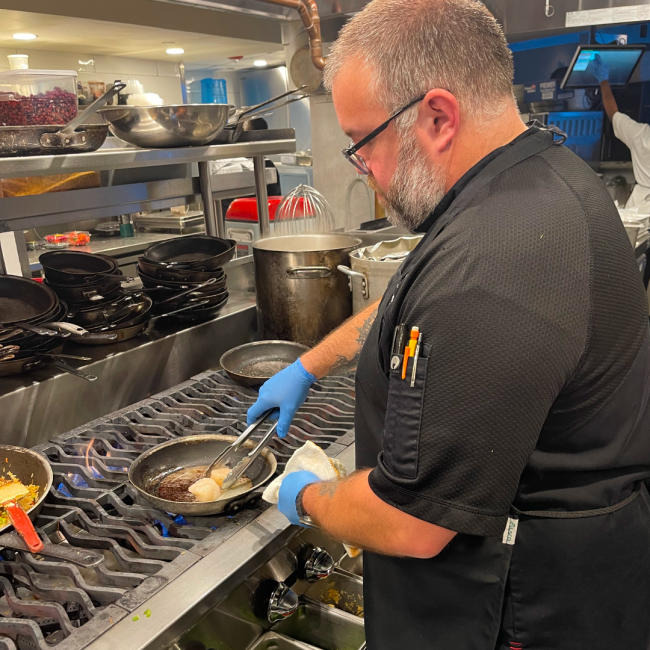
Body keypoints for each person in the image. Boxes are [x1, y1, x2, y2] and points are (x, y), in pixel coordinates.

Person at [247, 1, 650, 648]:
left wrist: (308, 497)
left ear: (437, 116)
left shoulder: (497, 260)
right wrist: (309, 365)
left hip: (518, 608)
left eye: (362, 143)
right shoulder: (531, 182)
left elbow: (410, 522)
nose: (366, 171)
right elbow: (415, 290)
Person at [589, 53, 650, 210]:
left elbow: (613, 114)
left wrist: (603, 80)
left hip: (641, 211)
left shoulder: (642, 135)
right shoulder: (641, 134)